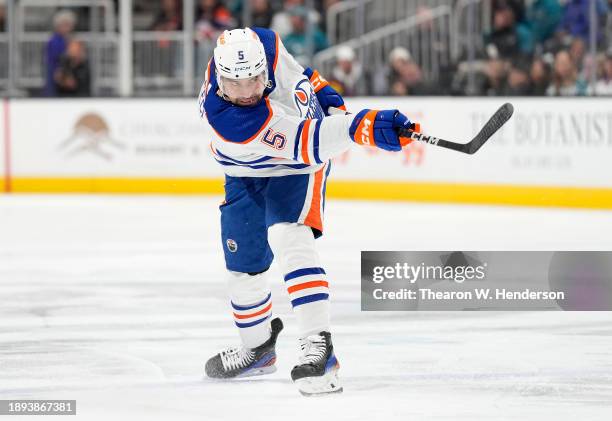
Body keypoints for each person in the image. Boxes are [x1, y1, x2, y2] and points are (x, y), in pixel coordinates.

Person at [198, 27, 413, 395]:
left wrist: (322, 90)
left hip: (296, 171)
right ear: (220, 80)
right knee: (242, 268)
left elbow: (298, 72)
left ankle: (320, 347)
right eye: (236, 85)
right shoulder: (231, 120)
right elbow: (309, 141)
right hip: (253, 167)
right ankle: (258, 349)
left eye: (254, 80)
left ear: (262, 65)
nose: (247, 92)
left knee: (289, 237)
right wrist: (362, 126)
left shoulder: (265, 44)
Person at [44, 10, 76, 97]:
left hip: (63, 71)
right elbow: (57, 57)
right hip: (55, 70)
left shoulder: (67, 39)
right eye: (65, 25)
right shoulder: (55, 40)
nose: (68, 28)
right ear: (58, 26)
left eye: (69, 25)